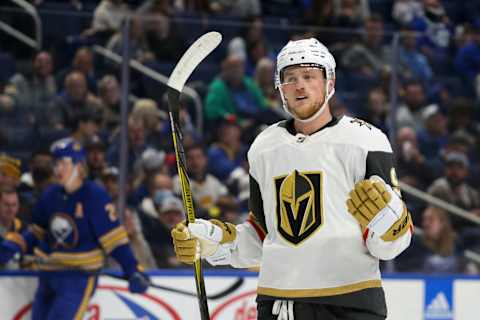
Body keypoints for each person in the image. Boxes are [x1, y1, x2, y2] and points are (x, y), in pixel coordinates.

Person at [172, 38, 413, 320]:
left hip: (351, 303)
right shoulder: (264, 147)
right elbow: (263, 235)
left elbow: (389, 245)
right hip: (279, 305)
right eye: (290, 78)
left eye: (309, 76)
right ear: (279, 88)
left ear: (329, 83)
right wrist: (213, 243)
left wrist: (390, 225)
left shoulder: (365, 140)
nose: (300, 85)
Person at [0, 138, 149, 320]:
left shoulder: (94, 196)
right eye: (56, 164)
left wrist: (133, 269)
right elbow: (37, 232)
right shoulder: (51, 194)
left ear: (79, 166)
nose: (57, 169)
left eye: (63, 163)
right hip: (48, 275)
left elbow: (115, 241)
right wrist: (15, 244)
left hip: (78, 277)